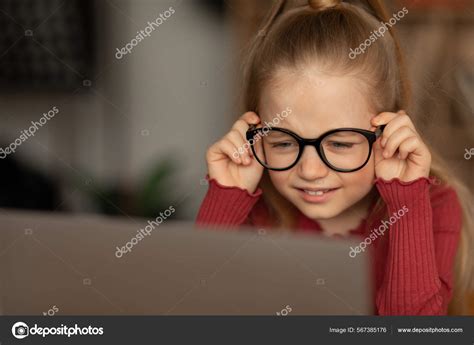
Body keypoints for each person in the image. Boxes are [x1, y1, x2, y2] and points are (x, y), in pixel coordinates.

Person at [196, 0, 473, 315]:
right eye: (284, 143)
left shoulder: (435, 206)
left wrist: (405, 203)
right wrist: (226, 199)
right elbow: (189, 315)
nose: (311, 170)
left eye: (340, 144)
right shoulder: (252, 212)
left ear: (388, 132)